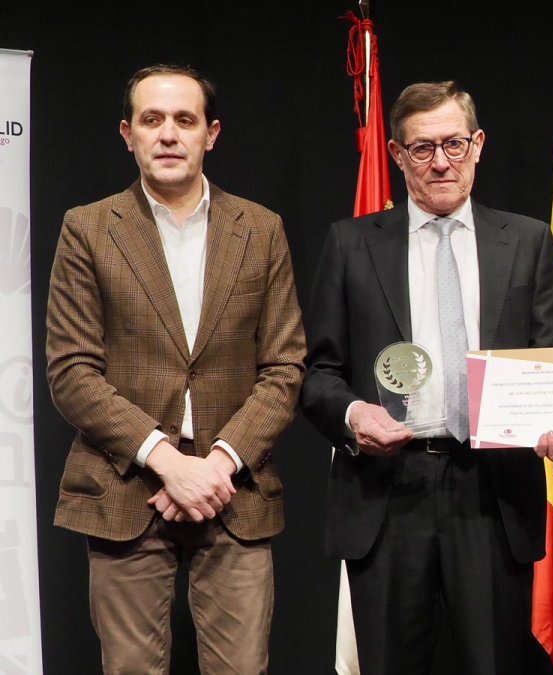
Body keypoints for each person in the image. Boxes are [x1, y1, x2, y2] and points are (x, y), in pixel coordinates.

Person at [300, 80, 553, 674]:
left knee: (493, 664)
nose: (441, 161)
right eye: (423, 148)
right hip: (386, 489)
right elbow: (317, 373)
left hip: (493, 488)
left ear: (479, 145)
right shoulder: (351, 245)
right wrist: (352, 416)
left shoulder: (527, 241)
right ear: (397, 155)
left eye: (454, 143)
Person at [45, 64, 306, 673]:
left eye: (184, 120)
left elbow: (285, 368)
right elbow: (72, 371)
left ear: (210, 134)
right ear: (127, 133)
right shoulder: (88, 229)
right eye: (151, 120)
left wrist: (215, 467)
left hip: (234, 491)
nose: (168, 134)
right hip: (124, 488)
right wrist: (166, 460)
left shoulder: (261, 230)